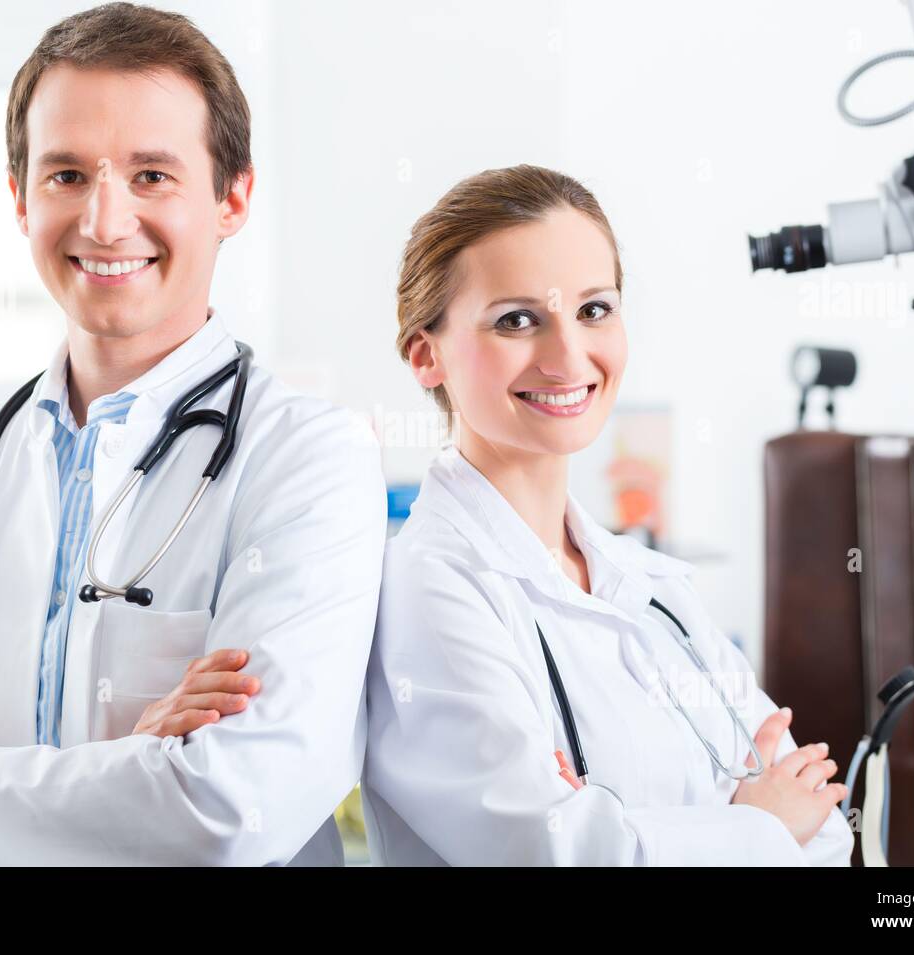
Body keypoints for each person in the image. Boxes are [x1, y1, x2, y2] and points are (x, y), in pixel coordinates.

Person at [0, 2, 385, 866]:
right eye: (67, 174)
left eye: (152, 175)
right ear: (19, 200)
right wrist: (123, 772)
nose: (105, 221)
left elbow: (231, 813)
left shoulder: (309, 461)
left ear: (234, 197)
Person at [362, 164, 853, 865]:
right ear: (425, 355)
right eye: (517, 320)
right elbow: (547, 853)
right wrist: (756, 826)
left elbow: (826, 830)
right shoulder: (428, 588)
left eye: (594, 310)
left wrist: (640, 827)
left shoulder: (653, 589)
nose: (568, 358)